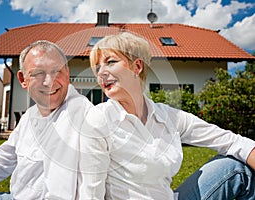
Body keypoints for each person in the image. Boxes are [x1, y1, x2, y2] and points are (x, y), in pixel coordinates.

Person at [78, 32, 255, 200]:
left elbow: (233, 142)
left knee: (238, 167)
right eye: (97, 67)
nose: (101, 73)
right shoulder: (98, 120)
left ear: (137, 66)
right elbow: (91, 192)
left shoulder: (168, 116)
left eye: (110, 62)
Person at [0, 40, 93, 199]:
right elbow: (0, 161)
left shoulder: (83, 116)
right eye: (38, 73)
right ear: (22, 79)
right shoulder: (30, 115)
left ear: (67, 74)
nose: (49, 82)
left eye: (57, 71)